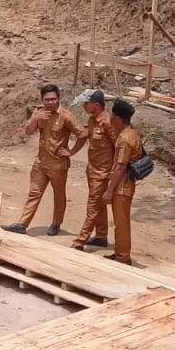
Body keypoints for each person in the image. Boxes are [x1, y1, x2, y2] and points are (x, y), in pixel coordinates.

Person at [3, 83, 84, 236]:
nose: (50, 102)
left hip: (58, 165)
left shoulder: (66, 116)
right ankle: (22, 223)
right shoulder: (39, 112)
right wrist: (35, 118)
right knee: (34, 193)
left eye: (53, 99)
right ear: (42, 100)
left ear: (58, 99)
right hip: (40, 163)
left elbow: (83, 134)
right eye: (47, 100)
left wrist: (71, 151)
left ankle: (56, 223)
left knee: (59, 195)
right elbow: (28, 131)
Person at [68, 89, 116, 250]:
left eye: (86, 103)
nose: (84, 106)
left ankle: (81, 240)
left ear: (96, 104)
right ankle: (101, 236)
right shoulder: (92, 120)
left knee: (93, 205)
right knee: (99, 204)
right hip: (92, 169)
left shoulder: (108, 122)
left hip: (103, 173)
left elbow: (119, 147)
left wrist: (115, 173)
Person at [105, 99, 145, 265]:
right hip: (125, 184)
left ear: (117, 118)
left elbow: (121, 167)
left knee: (121, 223)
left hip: (122, 186)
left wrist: (109, 190)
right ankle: (119, 252)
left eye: (112, 115)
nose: (110, 117)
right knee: (120, 221)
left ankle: (123, 257)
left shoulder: (125, 139)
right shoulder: (132, 133)